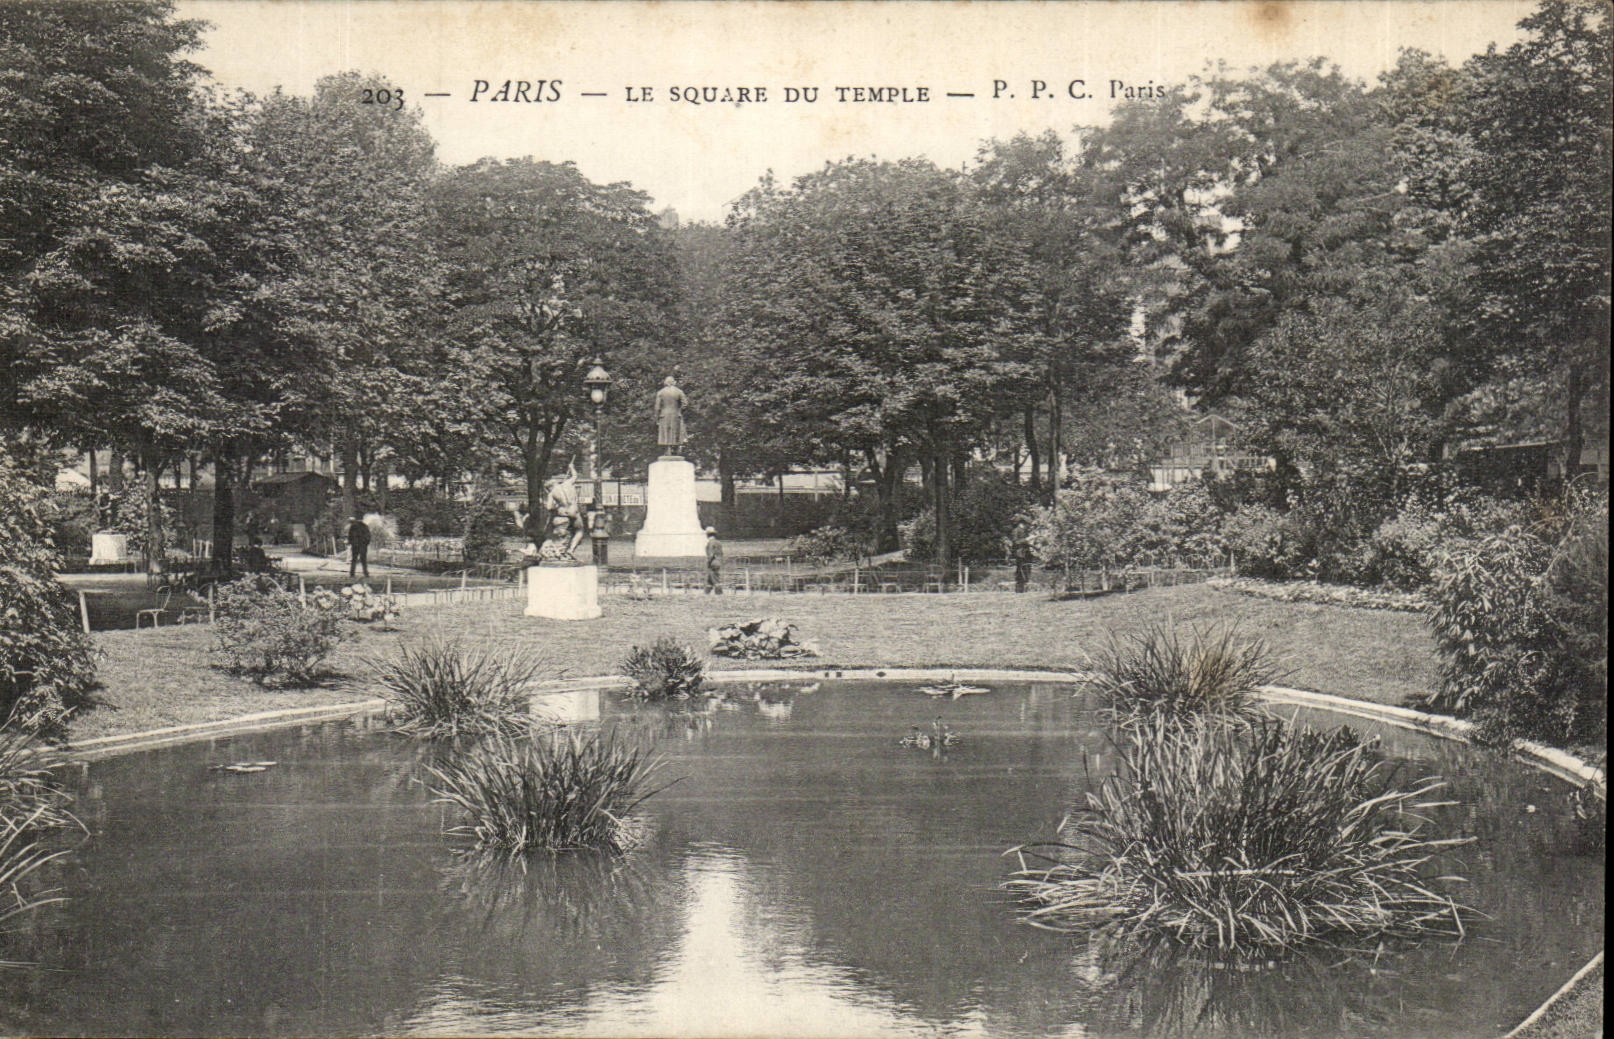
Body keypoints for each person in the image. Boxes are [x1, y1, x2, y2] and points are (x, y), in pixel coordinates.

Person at [544, 462, 585, 556]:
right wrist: (571, 468)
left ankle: (561, 550)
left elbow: (549, 507)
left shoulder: (552, 493)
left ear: (549, 487)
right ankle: (571, 549)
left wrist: (556, 504)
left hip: (563, 512)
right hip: (574, 511)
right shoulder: (567, 483)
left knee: (564, 532)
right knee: (579, 531)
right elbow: (575, 476)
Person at [655, 376, 687, 456]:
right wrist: (679, 411)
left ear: (665, 383)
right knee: (675, 431)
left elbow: (657, 407)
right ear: (674, 382)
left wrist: (657, 418)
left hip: (664, 415)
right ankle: (675, 450)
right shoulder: (679, 392)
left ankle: (667, 450)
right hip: (676, 414)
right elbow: (685, 404)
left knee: (666, 432)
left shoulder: (661, 392)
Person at [704, 526, 724, 595]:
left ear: (708, 535)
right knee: (710, 578)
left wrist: (708, 562)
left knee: (714, 577)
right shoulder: (718, 542)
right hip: (718, 561)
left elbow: (711, 554)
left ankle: (719, 592)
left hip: (713, 562)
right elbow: (721, 553)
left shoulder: (710, 543)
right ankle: (706, 593)